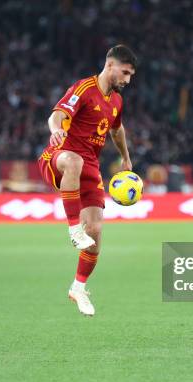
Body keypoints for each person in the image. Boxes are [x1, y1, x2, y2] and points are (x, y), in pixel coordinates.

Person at [38, 45, 137, 316]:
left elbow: (117, 131)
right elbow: (56, 114)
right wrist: (56, 130)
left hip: (90, 166)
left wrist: (126, 159)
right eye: (125, 72)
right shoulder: (84, 88)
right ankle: (73, 229)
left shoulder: (116, 101)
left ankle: (78, 287)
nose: (128, 80)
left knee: (95, 233)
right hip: (60, 156)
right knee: (75, 161)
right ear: (110, 64)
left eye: (131, 75)